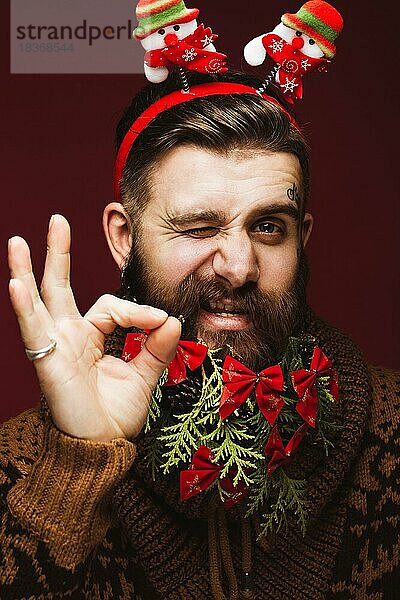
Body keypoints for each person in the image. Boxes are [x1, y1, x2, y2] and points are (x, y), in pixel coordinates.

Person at [1, 70, 399, 600]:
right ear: (124, 238)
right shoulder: (16, 461)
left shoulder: (392, 429)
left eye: (268, 227)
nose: (238, 267)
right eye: (197, 228)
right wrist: (77, 465)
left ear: (302, 238)